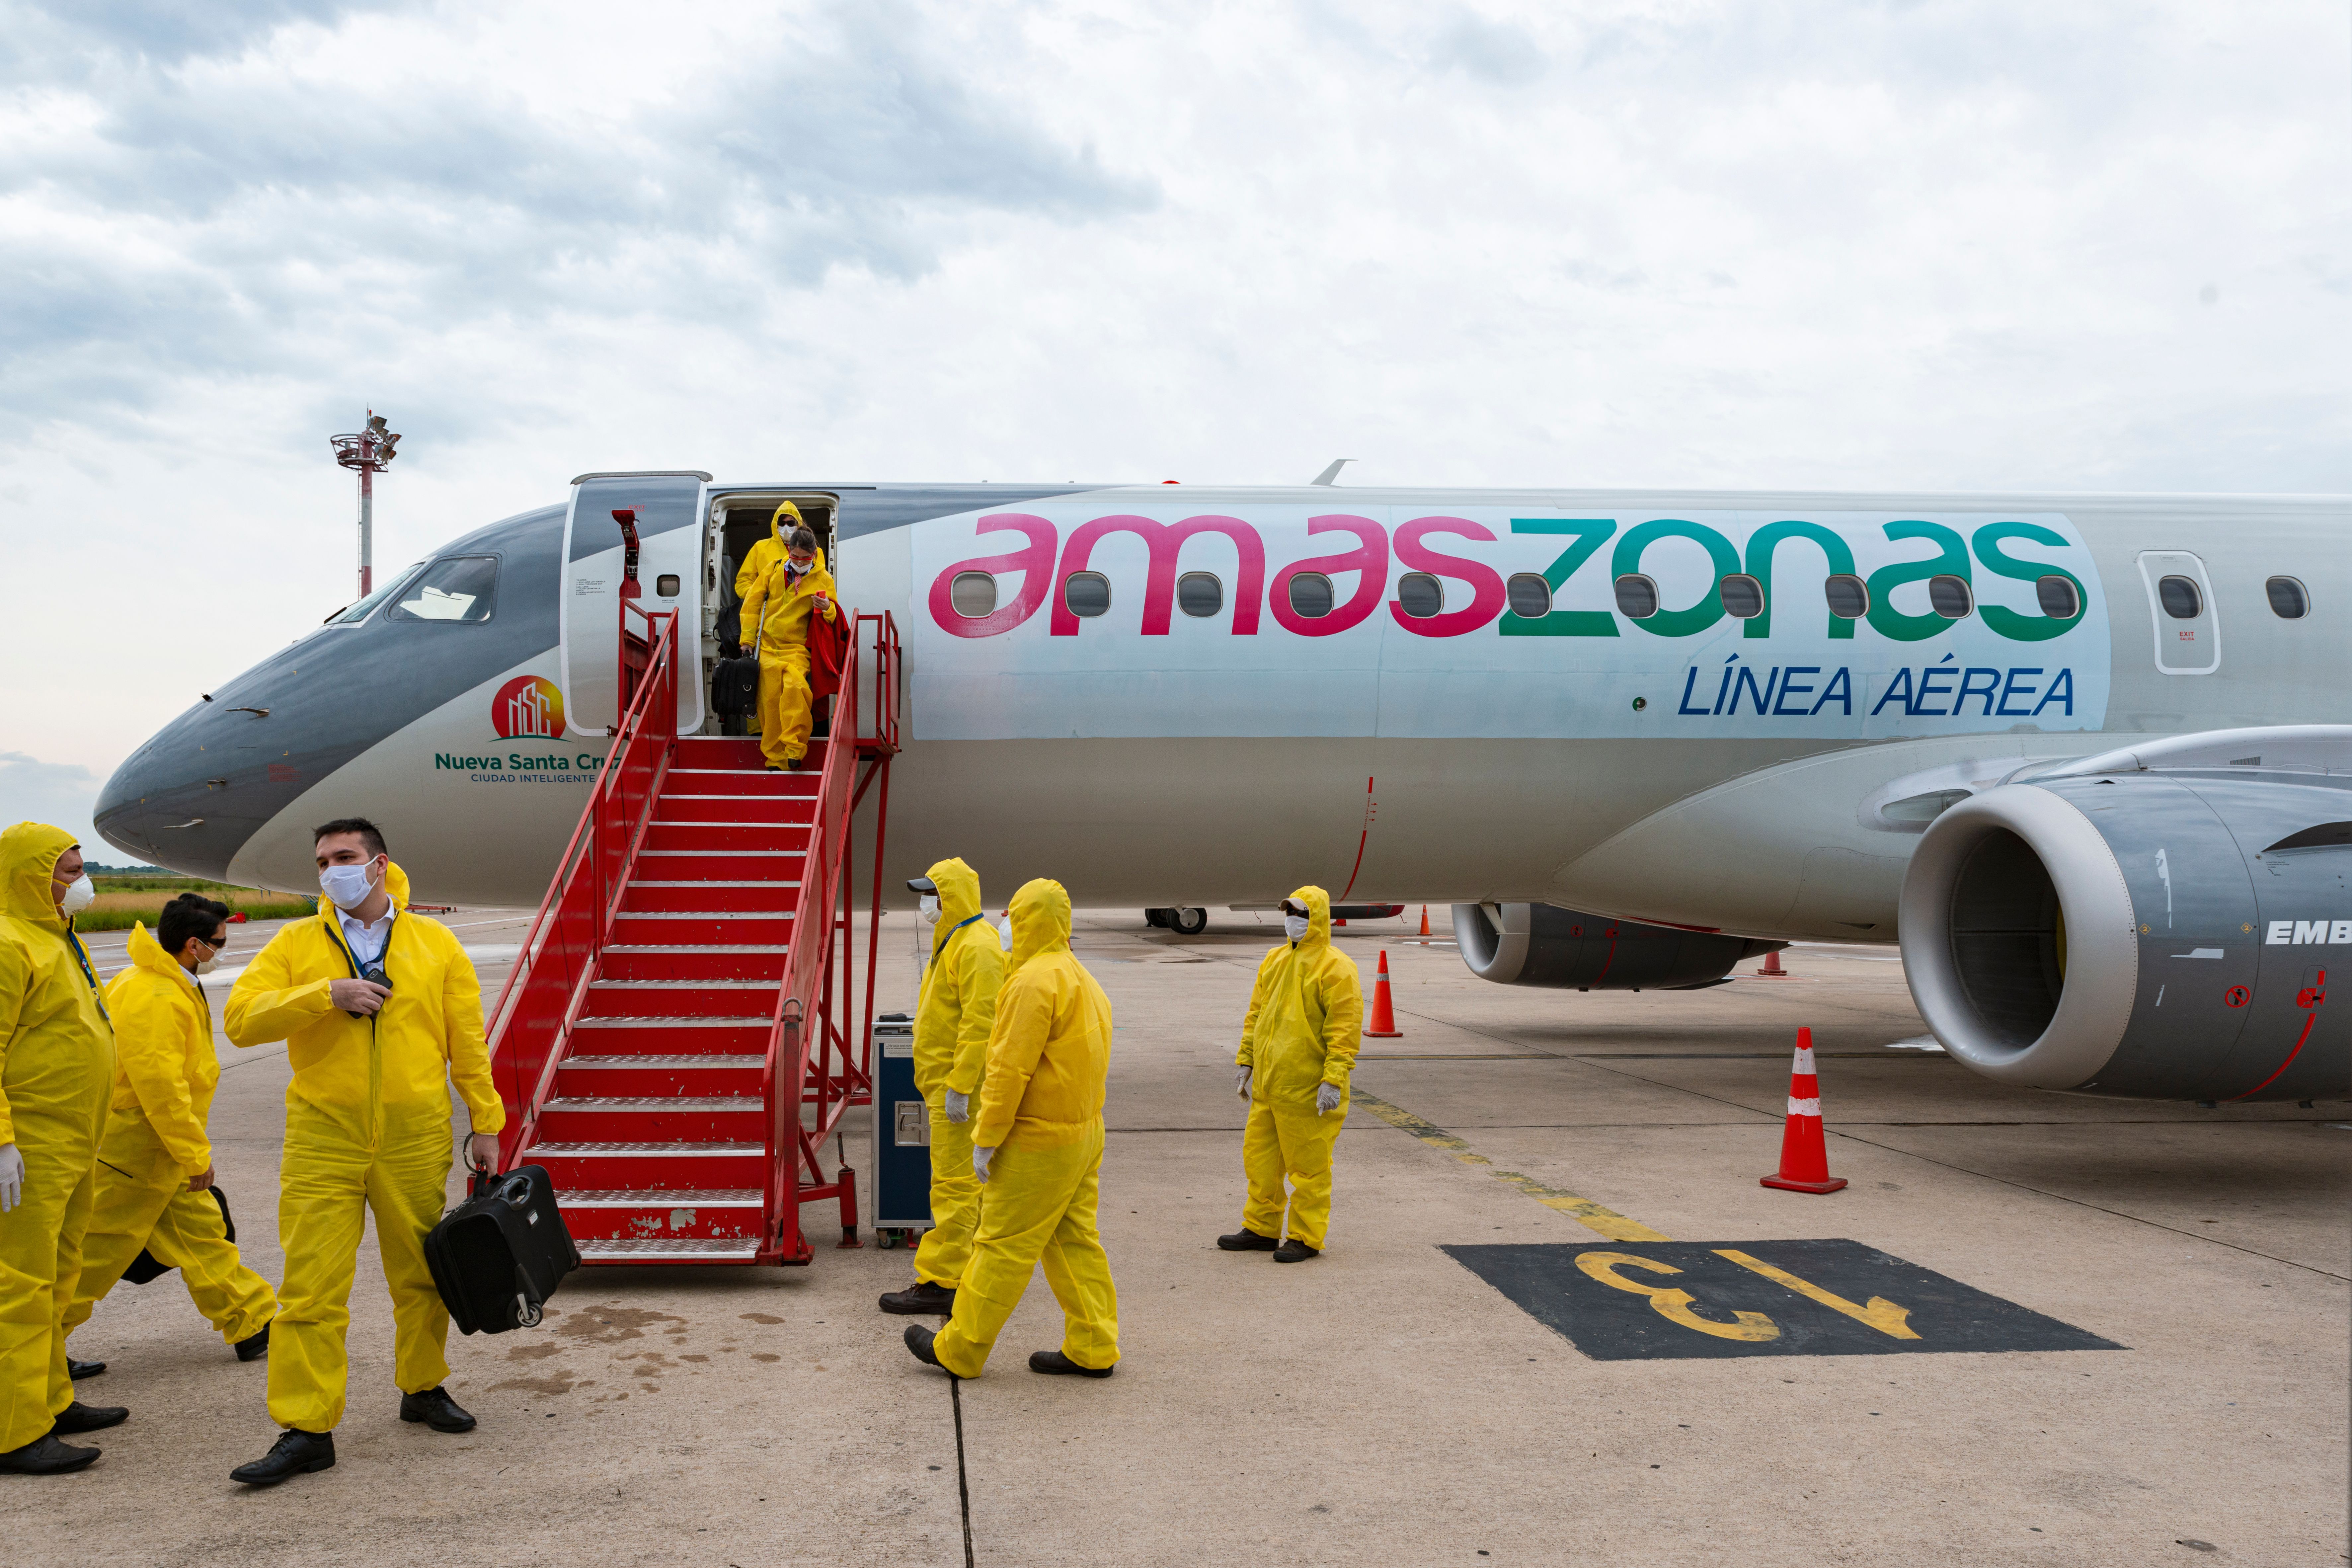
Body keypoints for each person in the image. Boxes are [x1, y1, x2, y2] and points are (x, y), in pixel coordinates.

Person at [221, 818, 504, 1487]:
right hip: (324, 1134)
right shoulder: (297, 942)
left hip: (414, 1133)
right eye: (322, 860)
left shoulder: (436, 943)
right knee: (311, 1287)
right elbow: (241, 1019)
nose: (331, 869)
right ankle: (306, 1427)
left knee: (421, 1273)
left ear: (379, 864)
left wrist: (487, 1121)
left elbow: (467, 1040)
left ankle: (423, 1386)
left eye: (344, 857)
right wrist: (324, 995)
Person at [904, 878, 1118, 1380]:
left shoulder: (1030, 983)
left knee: (1000, 1245)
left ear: (1026, 921)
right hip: (1083, 1135)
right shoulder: (1078, 976)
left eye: (1011, 915)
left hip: (1039, 1143)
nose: (1004, 923)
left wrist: (986, 1137)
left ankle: (959, 1350)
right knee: (1074, 1241)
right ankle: (1094, 1343)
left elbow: (1007, 1071)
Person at [63, 894, 277, 1373]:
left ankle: (251, 1321)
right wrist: (194, 1154)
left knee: (203, 1237)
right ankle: (35, 1346)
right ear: (194, 945)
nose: (223, 950)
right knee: (93, 1255)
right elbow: (161, 1087)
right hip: (137, 1153)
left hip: (160, 1150)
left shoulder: (168, 981)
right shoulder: (154, 995)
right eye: (219, 943)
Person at [0, 825, 124, 1475]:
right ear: (29, 874)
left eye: (80, 868)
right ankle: (14, 1431)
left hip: (74, 1144)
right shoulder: (7, 942)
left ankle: (50, 1399)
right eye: (66, 871)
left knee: (58, 1278)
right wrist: (1, 1141)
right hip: (31, 1150)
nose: (80, 882)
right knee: (19, 1287)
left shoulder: (59, 938)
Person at [879, 860, 1005, 1317]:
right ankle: (964, 1272)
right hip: (943, 1087)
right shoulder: (953, 938)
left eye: (930, 893)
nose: (924, 903)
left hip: (960, 1092)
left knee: (954, 1187)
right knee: (961, 1186)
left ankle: (942, 1281)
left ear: (951, 897)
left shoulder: (977, 947)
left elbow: (981, 1023)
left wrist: (961, 1085)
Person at [1219, 886, 1361, 1263]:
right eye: (1289, 913)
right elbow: (1256, 1015)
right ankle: (1262, 1228)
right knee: (1260, 1161)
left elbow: (1343, 1031)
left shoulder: (1337, 967)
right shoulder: (1274, 959)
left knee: (1309, 1168)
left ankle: (1305, 1236)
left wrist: (1333, 1078)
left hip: (1307, 1089)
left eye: (1301, 913)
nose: (1293, 920)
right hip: (1269, 1086)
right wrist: (1246, 1060)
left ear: (1316, 918)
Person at [738, 520, 839, 771]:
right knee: (770, 702)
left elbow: (836, 615)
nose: (800, 562)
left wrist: (828, 610)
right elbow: (751, 607)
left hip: (796, 648)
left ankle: (794, 749)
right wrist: (747, 641)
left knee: (796, 689)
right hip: (768, 647)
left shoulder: (823, 578)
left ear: (814, 555)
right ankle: (775, 758)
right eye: (795, 557)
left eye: (806, 559)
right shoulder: (772, 571)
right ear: (789, 553)